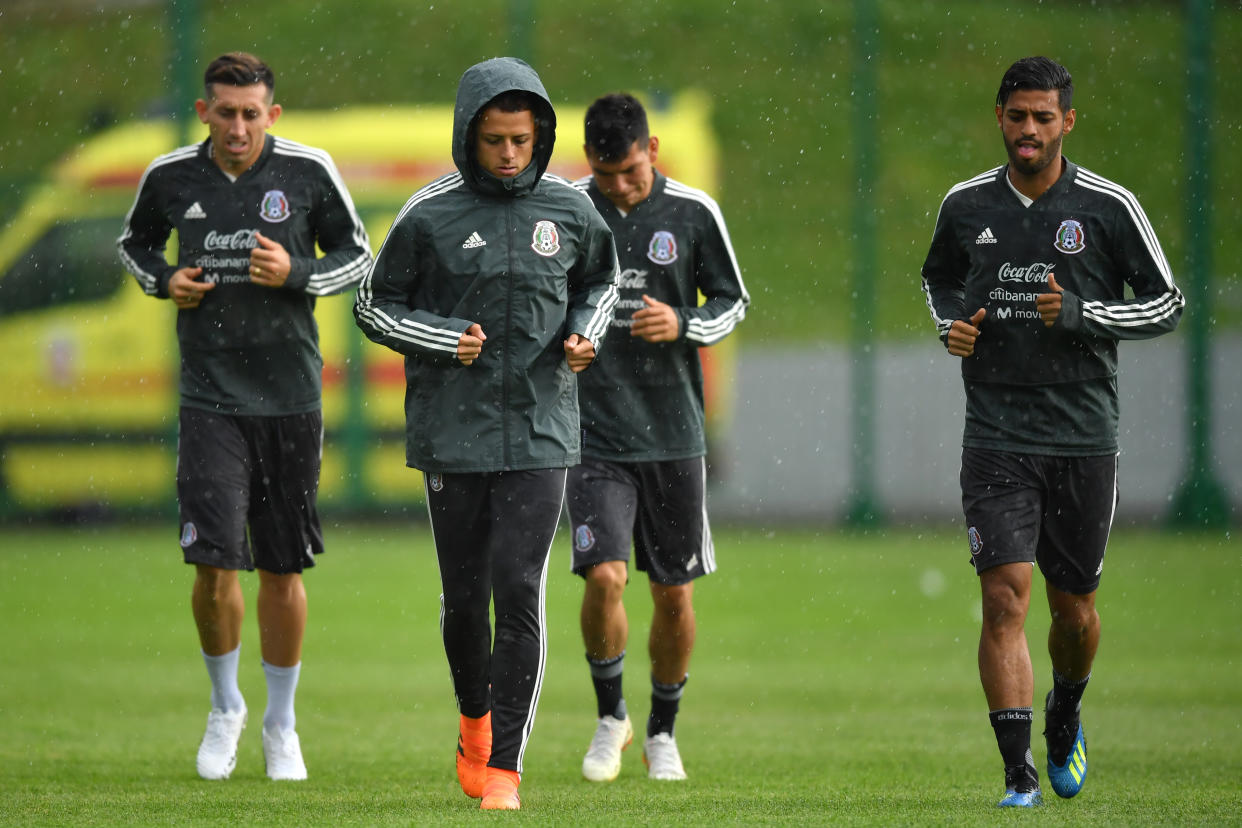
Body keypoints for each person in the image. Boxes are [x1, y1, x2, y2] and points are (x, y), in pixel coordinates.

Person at [353, 57, 619, 811]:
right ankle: (473, 722)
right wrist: (442, 339)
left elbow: (602, 282)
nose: (508, 154)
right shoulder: (428, 213)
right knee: (466, 600)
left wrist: (582, 334)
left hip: (541, 432)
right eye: (495, 140)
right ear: (468, 135)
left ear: (540, 136)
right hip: (453, 434)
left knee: (519, 588)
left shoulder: (569, 209)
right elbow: (373, 306)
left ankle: (504, 765)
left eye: (521, 140)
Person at [920, 56, 1184, 808]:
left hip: (1081, 436)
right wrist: (951, 327)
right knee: (1005, 598)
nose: (1028, 130)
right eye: (1017, 116)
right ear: (998, 118)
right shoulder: (967, 205)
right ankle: (1017, 776)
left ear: (1067, 121)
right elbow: (938, 276)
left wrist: (1084, 313)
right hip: (996, 432)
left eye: (1043, 117)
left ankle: (1065, 711)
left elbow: (1167, 302)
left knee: (1074, 612)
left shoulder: (1107, 207)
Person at [117, 52, 373, 782]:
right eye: (224, 113)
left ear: (272, 114)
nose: (237, 127)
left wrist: (295, 273)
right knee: (212, 559)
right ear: (204, 112)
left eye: (250, 113)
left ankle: (281, 722)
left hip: (290, 398)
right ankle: (225, 705)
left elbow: (356, 256)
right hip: (210, 398)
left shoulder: (307, 172)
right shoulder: (170, 176)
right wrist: (167, 281)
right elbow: (133, 245)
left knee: (281, 568)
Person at [566, 93, 749, 784]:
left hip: (673, 435)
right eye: (607, 175)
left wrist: (684, 324)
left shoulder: (694, 213)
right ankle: (610, 715)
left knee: (674, 595)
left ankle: (662, 730)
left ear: (654, 153)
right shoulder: (570, 212)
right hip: (591, 434)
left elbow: (732, 301)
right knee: (606, 575)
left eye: (632, 173)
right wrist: (568, 343)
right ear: (591, 162)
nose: (619, 187)